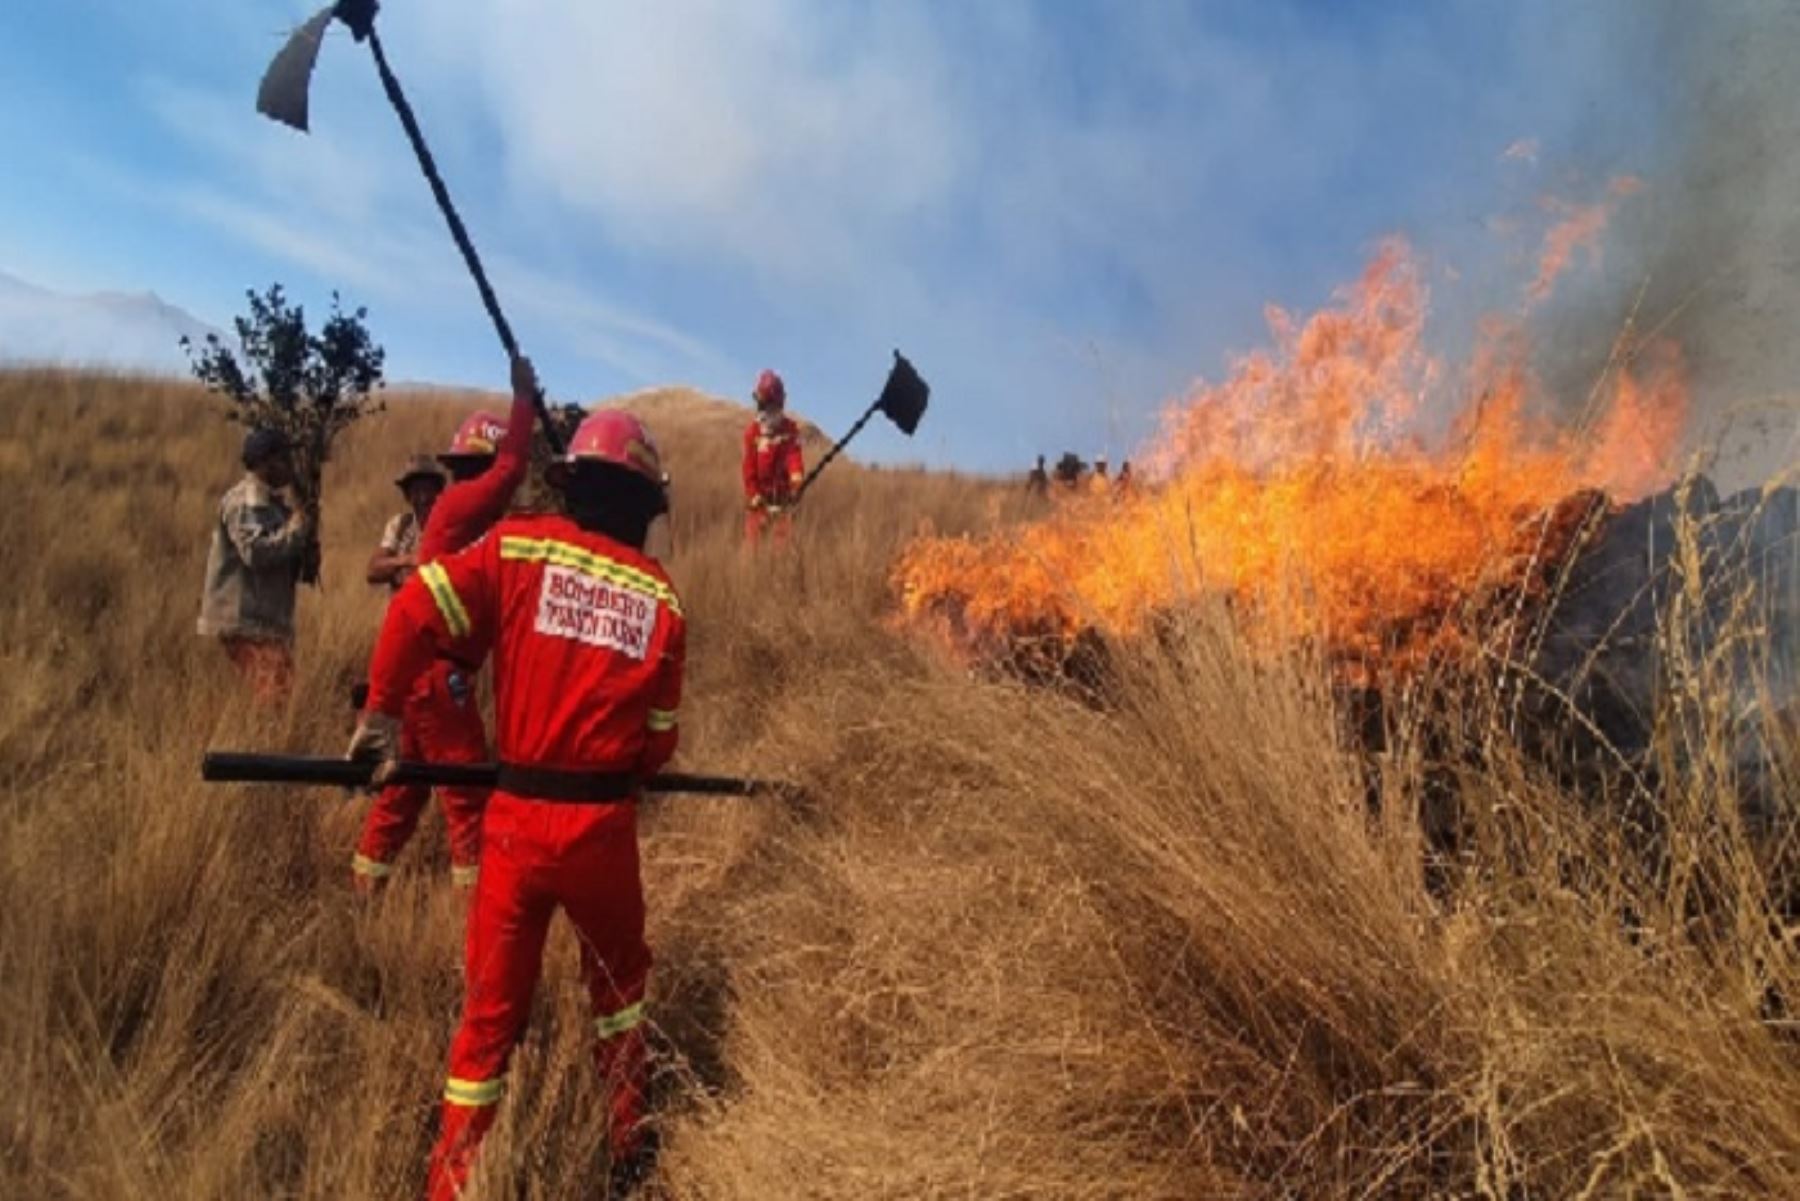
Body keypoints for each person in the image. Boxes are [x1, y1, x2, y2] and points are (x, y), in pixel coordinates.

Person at [349, 406, 681, 1200]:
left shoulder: (519, 545)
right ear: (644, 507)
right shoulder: (662, 598)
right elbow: (658, 744)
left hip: (516, 827)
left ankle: (451, 1179)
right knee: (619, 989)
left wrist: (382, 717)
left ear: (572, 485)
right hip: (602, 831)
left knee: (489, 1020)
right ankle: (629, 1146)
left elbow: (417, 606)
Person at [350, 358, 540, 893]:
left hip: (424, 673)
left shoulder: (475, 524)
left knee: (404, 789)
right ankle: (474, 907)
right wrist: (523, 400)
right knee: (466, 797)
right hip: (439, 678)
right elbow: (510, 471)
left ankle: (365, 885)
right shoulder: (460, 504)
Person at [197, 427, 313, 703]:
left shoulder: (272, 503)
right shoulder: (248, 499)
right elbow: (255, 553)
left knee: (275, 695)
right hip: (247, 620)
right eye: (284, 458)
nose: (290, 466)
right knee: (273, 699)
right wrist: (297, 527)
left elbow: (280, 558)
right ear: (265, 461)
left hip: (263, 620)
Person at [741, 368, 804, 544]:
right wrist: (754, 495)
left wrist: (796, 483)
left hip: (784, 501)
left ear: (778, 405)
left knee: (782, 550)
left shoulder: (790, 430)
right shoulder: (752, 433)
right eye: (761, 404)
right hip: (759, 502)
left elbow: (794, 459)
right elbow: (749, 468)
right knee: (752, 550)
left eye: (767, 404)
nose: (762, 409)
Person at [367, 455, 448, 593]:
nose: (423, 498)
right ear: (408, 496)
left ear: (438, 492)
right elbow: (373, 570)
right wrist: (407, 561)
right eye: (416, 491)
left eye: (428, 490)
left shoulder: (449, 527)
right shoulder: (400, 525)